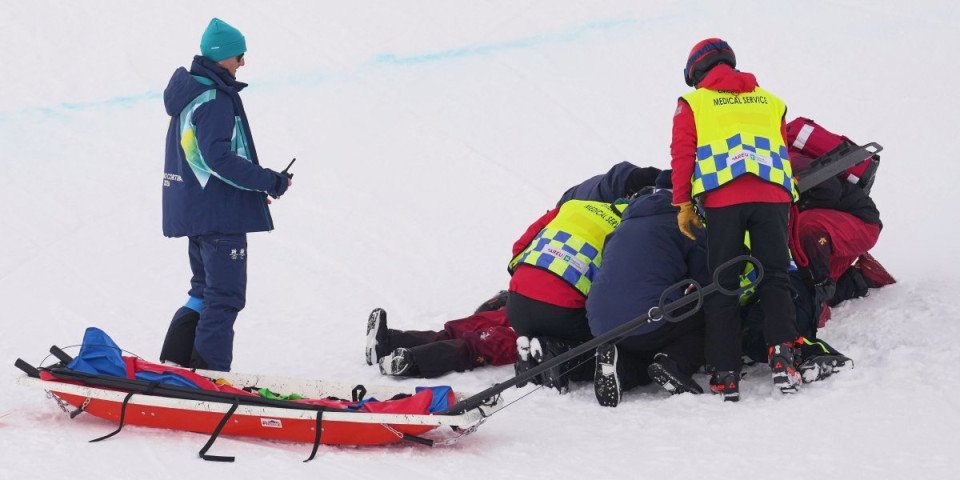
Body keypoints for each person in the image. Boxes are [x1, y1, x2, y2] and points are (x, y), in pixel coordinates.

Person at [671, 38, 801, 401]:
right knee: (775, 275)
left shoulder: (694, 102)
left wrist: (682, 203)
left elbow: (683, 154)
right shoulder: (772, 101)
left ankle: (725, 372)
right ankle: (783, 357)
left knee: (723, 282)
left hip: (724, 199)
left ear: (696, 71)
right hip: (774, 196)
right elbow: (784, 150)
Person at [159, 18, 292, 372]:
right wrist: (269, 180)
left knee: (203, 290)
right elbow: (218, 159)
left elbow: (201, 163)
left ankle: (174, 363)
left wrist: (247, 194)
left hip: (200, 210)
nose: (243, 63)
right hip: (218, 218)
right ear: (222, 58)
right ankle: (208, 375)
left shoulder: (192, 91)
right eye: (239, 56)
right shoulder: (215, 99)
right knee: (224, 297)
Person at [587, 171, 709, 407]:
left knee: (641, 340)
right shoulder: (686, 223)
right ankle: (673, 362)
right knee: (703, 315)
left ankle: (620, 368)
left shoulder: (623, 225)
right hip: (650, 317)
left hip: (600, 324)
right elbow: (705, 279)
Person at [788, 153, 894, 318]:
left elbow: (830, 190)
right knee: (799, 291)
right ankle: (862, 277)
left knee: (806, 225)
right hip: (834, 232)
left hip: (862, 224)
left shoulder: (790, 160)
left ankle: (819, 290)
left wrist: (796, 205)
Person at [365, 296, 518, 378]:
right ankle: (387, 344)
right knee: (465, 327)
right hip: (532, 302)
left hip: (538, 328)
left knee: (489, 341)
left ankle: (413, 362)